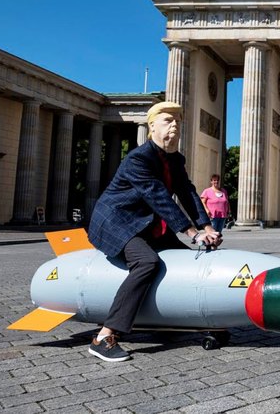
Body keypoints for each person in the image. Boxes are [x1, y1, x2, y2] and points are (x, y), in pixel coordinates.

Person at [87, 102, 220, 362]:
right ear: (151, 126)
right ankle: (104, 336)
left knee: (187, 261)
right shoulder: (139, 158)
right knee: (147, 262)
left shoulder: (175, 159)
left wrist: (207, 227)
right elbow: (158, 197)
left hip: (146, 224)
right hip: (118, 222)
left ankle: (173, 319)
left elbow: (188, 193)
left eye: (178, 122)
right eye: (168, 120)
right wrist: (192, 232)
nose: (175, 125)